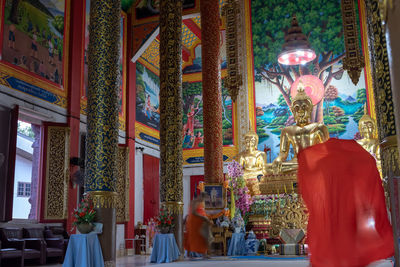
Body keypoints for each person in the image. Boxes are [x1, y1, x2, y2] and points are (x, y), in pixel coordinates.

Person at [297, 138, 394, 267]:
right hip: (348, 218)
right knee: (349, 251)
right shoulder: (357, 162)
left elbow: (311, 187)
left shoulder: (325, 165)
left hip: (333, 219)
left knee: (334, 250)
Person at [272, 82, 329, 174]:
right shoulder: (287, 130)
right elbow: (283, 153)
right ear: (293, 111)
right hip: (295, 163)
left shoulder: (319, 127)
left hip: (313, 162)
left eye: (304, 107)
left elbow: (326, 150)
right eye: (297, 108)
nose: (300, 111)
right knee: (271, 168)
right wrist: (278, 159)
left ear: (310, 109)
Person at [237, 127, 267, 195]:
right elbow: (239, 169)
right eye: (247, 141)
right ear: (245, 142)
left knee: (262, 174)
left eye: (252, 141)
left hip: (256, 173)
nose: (250, 143)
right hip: (246, 173)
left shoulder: (260, 154)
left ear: (256, 142)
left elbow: (264, 169)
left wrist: (258, 171)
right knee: (239, 176)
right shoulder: (242, 155)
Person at [185, 192, 213, 259]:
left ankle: (204, 254)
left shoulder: (200, 203)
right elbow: (194, 212)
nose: (203, 201)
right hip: (193, 223)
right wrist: (204, 218)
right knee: (192, 238)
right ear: (200, 196)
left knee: (202, 239)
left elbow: (201, 211)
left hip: (199, 223)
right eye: (203, 199)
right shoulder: (195, 202)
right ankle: (189, 254)